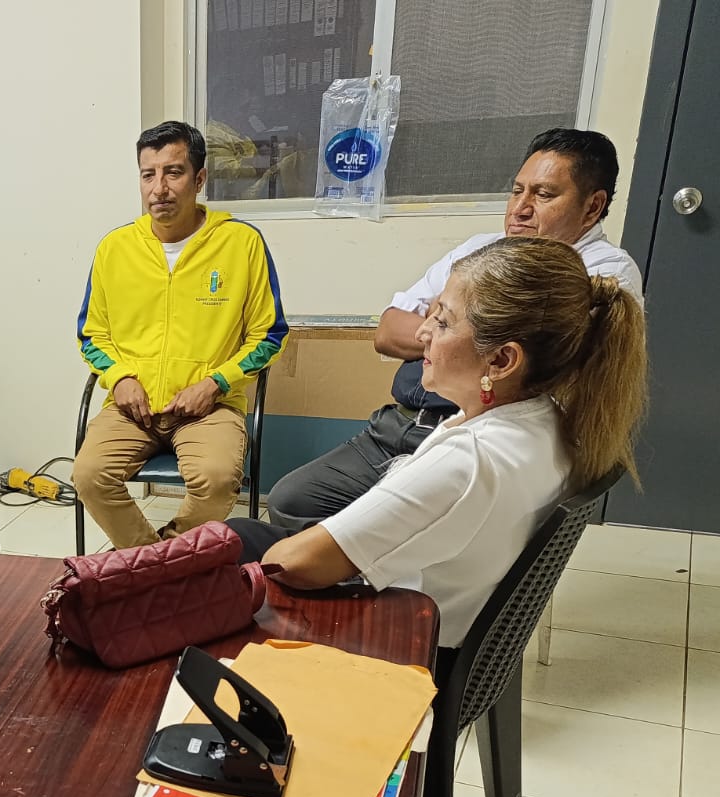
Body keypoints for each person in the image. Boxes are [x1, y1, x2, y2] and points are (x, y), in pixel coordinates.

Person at [227, 237, 647, 649]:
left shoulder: (469, 459)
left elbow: (294, 565)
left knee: (230, 555)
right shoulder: (551, 419)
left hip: (402, 634)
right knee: (243, 533)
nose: (423, 331)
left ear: (501, 360)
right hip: (452, 612)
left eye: (443, 322)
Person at [265, 128, 643, 531]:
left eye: (544, 195)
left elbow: (524, 364)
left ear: (592, 206)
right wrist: (459, 330)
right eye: (517, 191)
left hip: (475, 434)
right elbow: (388, 331)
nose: (520, 208)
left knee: (360, 535)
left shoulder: (604, 272)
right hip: (401, 423)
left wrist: (443, 319)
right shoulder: (480, 248)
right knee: (291, 500)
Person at [72, 120, 288, 549]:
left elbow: (269, 335)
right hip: (132, 406)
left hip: (210, 406)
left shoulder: (241, 243)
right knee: (89, 475)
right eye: (148, 175)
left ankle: (161, 559)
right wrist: (120, 378)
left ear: (199, 178)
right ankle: (160, 562)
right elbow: (91, 335)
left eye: (173, 172)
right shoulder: (115, 248)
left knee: (217, 478)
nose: (159, 189)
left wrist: (216, 383)